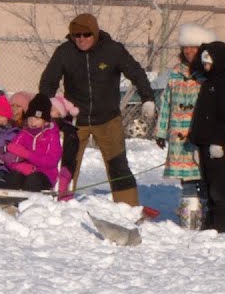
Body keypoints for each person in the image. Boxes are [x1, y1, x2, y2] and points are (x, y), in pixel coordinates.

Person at [38, 12, 156, 206]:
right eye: (76, 35)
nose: (81, 39)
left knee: (118, 164)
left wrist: (148, 99)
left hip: (108, 118)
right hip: (75, 121)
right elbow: (48, 81)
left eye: (86, 34)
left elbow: (136, 73)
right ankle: (61, 204)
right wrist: (49, 105)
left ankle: (128, 206)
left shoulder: (113, 50)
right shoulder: (65, 52)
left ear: (95, 33)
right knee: (68, 164)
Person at [155, 24, 217, 228]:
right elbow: (166, 103)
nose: (189, 51)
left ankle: (205, 217)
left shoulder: (211, 73)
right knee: (187, 178)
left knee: (205, 178)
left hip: (201, 135)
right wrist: (161, 131)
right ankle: (188, 218)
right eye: (185, 48)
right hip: (179, 135)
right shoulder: (175, 73)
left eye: (194, 47)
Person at [187, 41, 225, 233]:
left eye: (208, 62)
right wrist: (197, 142)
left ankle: (223, 225)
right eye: (204, 62)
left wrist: (219, 142)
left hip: (221, 145)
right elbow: (203, 115)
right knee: (209, 185)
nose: (205, 66)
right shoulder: (209, 82)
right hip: (205, 144)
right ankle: (212, 224)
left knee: (221, 188)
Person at [5, 94, 62, 192]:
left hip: (45, 174)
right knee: (13, 176)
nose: (32, 122)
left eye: (37, 118)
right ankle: (10, 203)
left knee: (32, 180)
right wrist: (18, 166)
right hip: (25, 170)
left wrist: (27, 155)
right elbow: (9, 156)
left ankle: (29, 205)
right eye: (30, 118)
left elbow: (52, 161)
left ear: (45, 120)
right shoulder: (24, 133)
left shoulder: (52, 135)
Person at [50, 95, 80, 200]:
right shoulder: (45, 125)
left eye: (52, 109)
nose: (48, 111)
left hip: (64, 163)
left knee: (62, 181)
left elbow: (72, 149)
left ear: (60, 113)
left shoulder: (67, 130)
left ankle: (64, 200)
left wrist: (66, 165)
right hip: (49, 163)